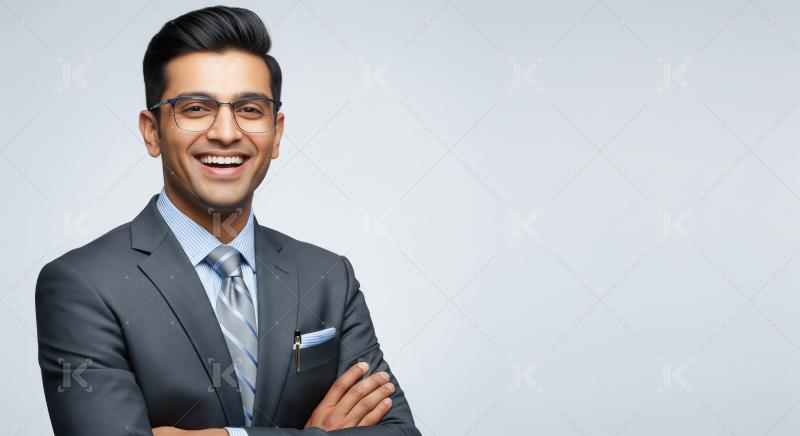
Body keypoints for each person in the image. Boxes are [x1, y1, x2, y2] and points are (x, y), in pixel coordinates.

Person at [35, 6, 420, 436]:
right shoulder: (82, 284)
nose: (225, 132)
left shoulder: (328, 277)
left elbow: (399, 432)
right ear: (151, 131)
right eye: (195, 108)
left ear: (276, 133)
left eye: (250, 109)